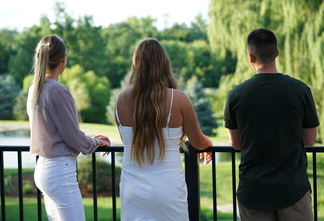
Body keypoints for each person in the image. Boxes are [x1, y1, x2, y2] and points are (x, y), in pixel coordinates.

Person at [224, 29, 319, 221]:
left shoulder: (236, 94)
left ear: (250, 57)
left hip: (253, 191)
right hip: (293, 189)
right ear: (277, 52)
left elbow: (236, 143)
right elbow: (309, 140)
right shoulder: (300, 90)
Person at [114, 38, 213, 220]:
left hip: (131, 188)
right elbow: (198, 142)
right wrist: (209, 144)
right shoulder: (179, 99)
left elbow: (128, 140)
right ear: (164, 64)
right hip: (168, 188)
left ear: (136, 64)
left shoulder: (121, 99)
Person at [27, 35, 111, 221]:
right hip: (59, 172)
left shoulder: (35, 88)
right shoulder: (56, 90)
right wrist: (96, 142)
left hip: (44, 168)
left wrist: (90, 140)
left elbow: (59, 131)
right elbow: (72, 136)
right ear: (63, 58)